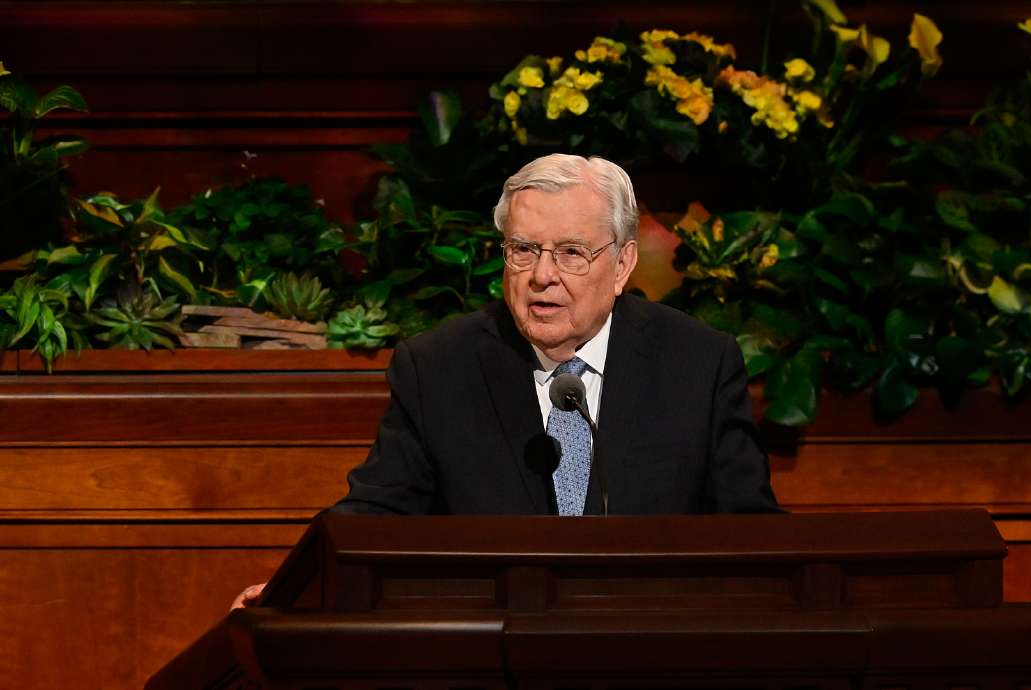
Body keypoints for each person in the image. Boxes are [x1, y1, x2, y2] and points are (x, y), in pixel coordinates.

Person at [232, 153, 778, 608]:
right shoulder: (440, 366)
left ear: (621, 264)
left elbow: (751, 535)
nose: (542, 276)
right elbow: (375, 517)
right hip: (490, 653)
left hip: (653, 653)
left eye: (571, 253)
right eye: (523, 250)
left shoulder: (697, 364)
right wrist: (286, 594)